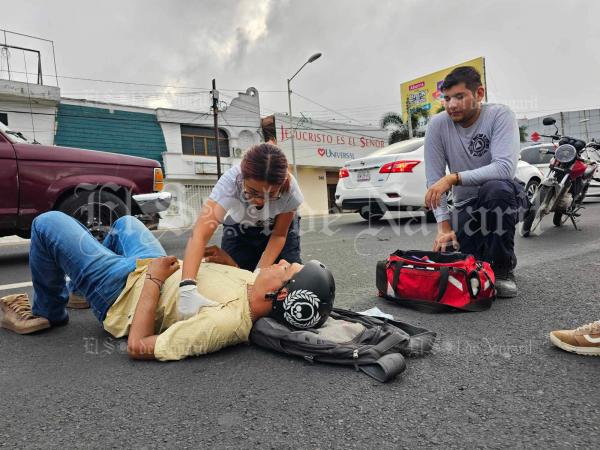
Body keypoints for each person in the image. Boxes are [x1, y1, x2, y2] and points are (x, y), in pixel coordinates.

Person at [0, 211, 335, 361]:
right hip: (155, 269)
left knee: (46, 224)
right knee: (126, 223)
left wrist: (155, 278)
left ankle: (49, 309)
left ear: (280, 294)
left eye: (286, 268)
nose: (280, 262)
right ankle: (80, 283)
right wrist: (228, 264)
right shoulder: (256, 289)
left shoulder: (223, 323)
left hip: (122, 292)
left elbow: (139, 344)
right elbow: (241, 280)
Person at [424, 66, 527, 298]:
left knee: (495, 188)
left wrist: (454, 178)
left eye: (460, 97)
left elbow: (503, 168)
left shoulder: (500, 115)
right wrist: (444, 227)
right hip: (466, 206)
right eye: (447, 98)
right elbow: (434, 181)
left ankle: (502, 268)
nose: (451, 105)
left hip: (504, 196)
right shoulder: (437, 125)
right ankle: (489, 252)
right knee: (457, 261)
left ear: (479, 94)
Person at [178, 143, 304, 320]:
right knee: (233, 279)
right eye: (252, 192)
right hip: (240, 226)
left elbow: (279, 235)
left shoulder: (291, 191)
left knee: (290, 287)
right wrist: (187, 286)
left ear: (281, 184)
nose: (259, 202)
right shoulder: (230, 182)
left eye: (270, 195)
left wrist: (258, 274)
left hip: (277, 230)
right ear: (242, 178)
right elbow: (200, 234)